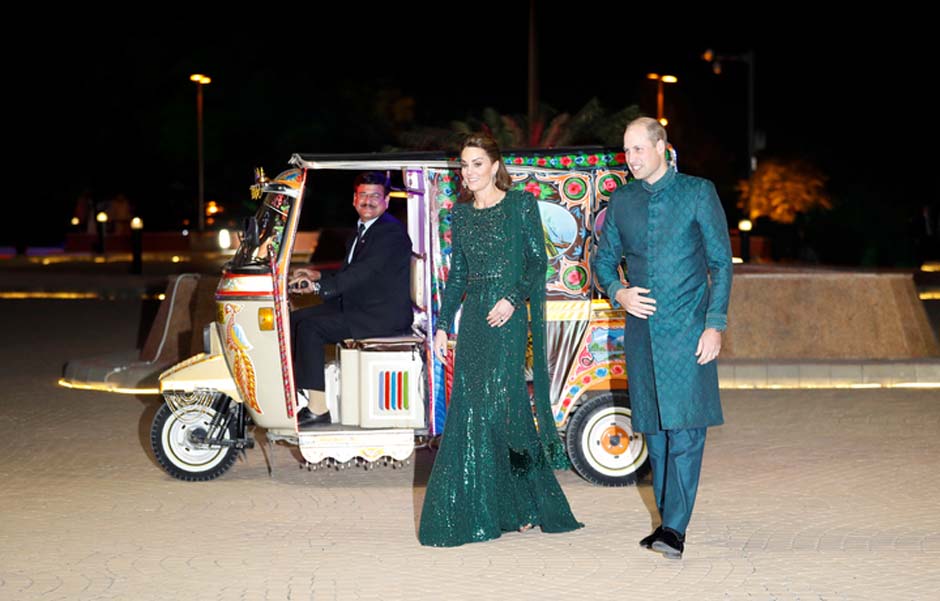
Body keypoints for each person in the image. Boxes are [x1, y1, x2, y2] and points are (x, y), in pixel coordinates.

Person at [418, 134, 582, 547]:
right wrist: (442, 326)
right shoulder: (461, 215)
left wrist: (512, 298)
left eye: (476, 163)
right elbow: (457, 277)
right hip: (475, 320)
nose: (469, 172)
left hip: (507, 321)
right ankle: (485, 509)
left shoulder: (520, 205)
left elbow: (535, 262)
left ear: (494, 166)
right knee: (471, 409)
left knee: (505, 410)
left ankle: (525, 504)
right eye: (464, 165)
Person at [592, 117, 733, 560]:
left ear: (661, 147)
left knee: (687, 430)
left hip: (690, 331)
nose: (631, 159)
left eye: (638, 149)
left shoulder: (698, 192)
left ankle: (674, 528)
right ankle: (667, 522)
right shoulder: (622, 200)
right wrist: (619, 291)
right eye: (627, 151)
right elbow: (602, 261)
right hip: (641, 334)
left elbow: (721, 264)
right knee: (655, 431)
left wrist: (715, 324)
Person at [289, 171, 413, 427]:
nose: (368, 201)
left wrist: (316, 287)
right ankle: (303, 393)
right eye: (363, 195)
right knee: (294, 319)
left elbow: (361, 274)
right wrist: (317, 275)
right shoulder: (364, 229)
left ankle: (318, 409)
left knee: (311, 328)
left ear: (386, 201)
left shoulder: (389, 233)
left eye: (375, 196)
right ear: (354, 199)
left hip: (381, 315)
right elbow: (351, 272)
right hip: (363, 304)